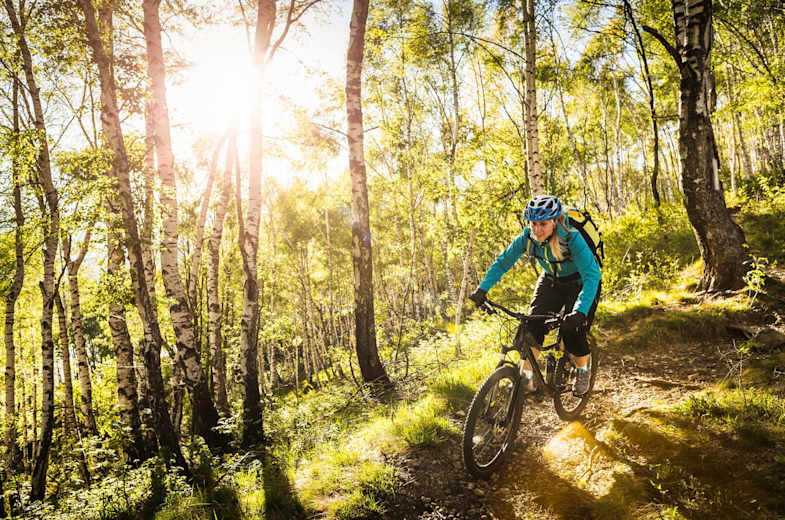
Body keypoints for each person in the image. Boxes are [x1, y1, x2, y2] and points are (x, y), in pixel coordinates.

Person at [469, 195, 601, 395]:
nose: (537, 229)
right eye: (533, 223)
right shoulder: (527, 238)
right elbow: (503, 262)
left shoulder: (571, 237)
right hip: (551, 280)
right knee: (531, 326)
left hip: (581, 282)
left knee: (572, 330)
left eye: (543, 224)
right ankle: (526, 379)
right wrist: (482, 290)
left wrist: (580, 311)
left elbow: (592, 276)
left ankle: (583, 370)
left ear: (554, 222)